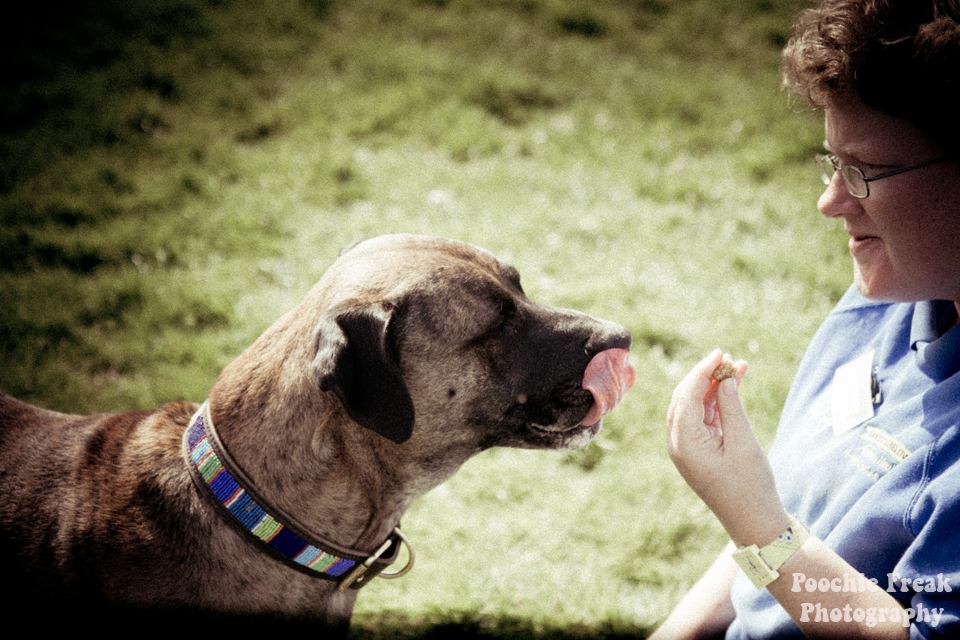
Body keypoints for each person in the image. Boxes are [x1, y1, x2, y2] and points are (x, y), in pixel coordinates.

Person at [653, 1, 960, 638]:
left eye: (865, 171)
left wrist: (757, 521)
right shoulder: (894, 294)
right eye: (831, 162)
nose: (831, 201)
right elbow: (792, 533)